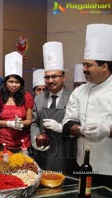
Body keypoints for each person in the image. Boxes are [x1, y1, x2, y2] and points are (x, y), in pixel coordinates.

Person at [62, 24, 112, 186]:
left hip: (109, 168)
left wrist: (106, 131)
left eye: (88, 65)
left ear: (104, 67)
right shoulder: (79, 91)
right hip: (82, 163)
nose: (84, 69)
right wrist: (80, 129)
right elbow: (67, 122)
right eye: (83, 64)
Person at [30, 41, 77, 175]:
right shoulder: (39, 99)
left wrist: (62, 128)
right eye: (47, 77)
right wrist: (35, 140)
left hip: (65, 153)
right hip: (42, 153)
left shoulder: (73, 97)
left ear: (64, 78)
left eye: (55, 76)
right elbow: (34, 122)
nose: (50, 81)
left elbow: (79, 126)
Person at [0, 51, 34, 152]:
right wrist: (9, 123)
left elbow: (29, 120)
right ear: (5, 82)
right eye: (11, 82)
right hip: (2, 143)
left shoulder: (27, 97)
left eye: (17, 82)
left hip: (23, 142)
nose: (14, 85)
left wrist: (20, 123)